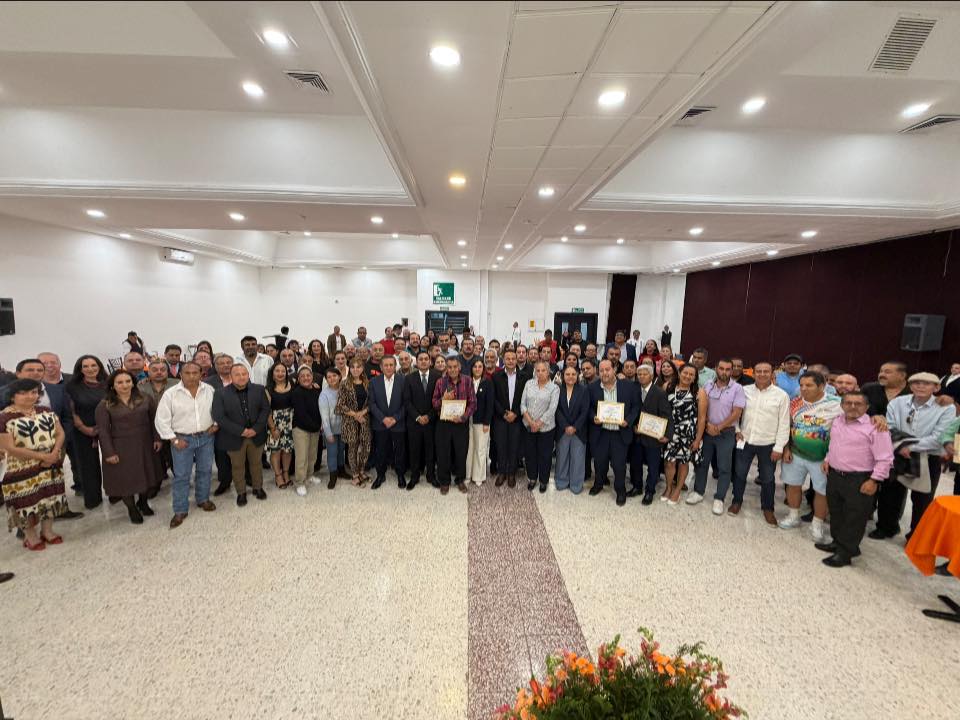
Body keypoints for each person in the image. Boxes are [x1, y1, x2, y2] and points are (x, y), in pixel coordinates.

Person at [874, 372, 955, 540]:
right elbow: (890, 428)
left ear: (936, 387)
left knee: (922, 499)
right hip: (898, 453)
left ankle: (916, 536)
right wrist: (901, 446)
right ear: (910, 386)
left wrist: (908, 446)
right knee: (890, 493)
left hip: (928, 456)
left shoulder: (947, 408)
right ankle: (886, 527)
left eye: (926, 383)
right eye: (916, 383)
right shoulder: (897, 402)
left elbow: (939, 437)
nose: (921, 386)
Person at [818, 391, 894, 567]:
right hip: (835, 475)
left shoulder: (876, 428)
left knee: (855, 517)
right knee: (837, 512)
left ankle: (845, 553)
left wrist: (874, 481)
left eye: (858, 404)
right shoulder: (837, 421)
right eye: (848, 403)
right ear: (842, 405)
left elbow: (885, 458)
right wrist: (828, 459)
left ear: (867, 407)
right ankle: (837, 542)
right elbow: (834, 444)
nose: (853, 407)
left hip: (860, 479)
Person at [1, 358, 83, 520]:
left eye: (40, 370)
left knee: (53, 483)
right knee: (26, 491)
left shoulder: (56, 390)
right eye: (30, 370)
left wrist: (59, 445)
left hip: (53, 447)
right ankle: (27, 523)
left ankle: (59, 511)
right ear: (18, 373)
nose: (36, 373)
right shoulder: (4, 393)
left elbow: (66, 417)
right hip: (19, 457)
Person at [0, 379, 68, 550]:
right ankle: (30, 536)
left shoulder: (46, 411)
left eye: (33, 392)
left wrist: (54, 453)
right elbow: (10, 448)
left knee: (50, 498)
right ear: (12, 396)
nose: (29, 396)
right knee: (26, 503)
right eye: (23, 393)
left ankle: (47, 531)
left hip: (49, 464)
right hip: (20, 469)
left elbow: (60, 433)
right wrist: (42, 456)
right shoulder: (4, 417)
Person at [778, 371, 842, 541]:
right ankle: (793, 516)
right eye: (802, 385)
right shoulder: (794, 403)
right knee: (793, 485)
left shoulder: (837, 404)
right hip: (795, 453)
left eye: (809, 385)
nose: (804, 388)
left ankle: (817, 524)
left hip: (822, 458)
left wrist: (878, 418)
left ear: (822, 386)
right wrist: (786, 449)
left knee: (822, 491)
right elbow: (786, 427)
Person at [155, 362, 219, 528]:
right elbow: (161, 420)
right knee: (182, 475)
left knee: (205, 470)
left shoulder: (209, 390)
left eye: (195, 373)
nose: (191, 376)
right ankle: (180, 509)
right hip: (182, 439)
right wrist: (173, 439)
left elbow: (218, 409)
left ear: (201, 374)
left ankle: (203, 499)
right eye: (187, 373)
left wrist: (216, 424)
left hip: (206, 437)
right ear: (180, 374)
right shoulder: (171, 394)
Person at [95, 370, 160, 523]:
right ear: (113, 385)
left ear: (133, 383)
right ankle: (132, 508)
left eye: (128, 381)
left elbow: (155, 420)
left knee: (146, 475)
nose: (124, 385)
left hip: (144, 443)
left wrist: (157, 438)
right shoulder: (105, 404)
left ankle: (143, 502)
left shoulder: (145, 398)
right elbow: (103, 431)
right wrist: (109, 452)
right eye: (120, 382)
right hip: (120, 447)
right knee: (125, 479)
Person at [687, 358, 745, 515]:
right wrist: (707, 425)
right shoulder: (708, 386)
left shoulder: (737, 388)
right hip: (707, 431)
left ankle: (719, 498)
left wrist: (719, 427)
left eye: (727, 369)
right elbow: (702, 409)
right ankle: (698, 492)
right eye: (721, 368)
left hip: (726, 433)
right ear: (716, 369)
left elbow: (736, 413)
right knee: (702, 463)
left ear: (731, 371)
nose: (724, 372)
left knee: (724, 467)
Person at [734, 362, 789, 524]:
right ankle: (737, 501)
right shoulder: (744, 391)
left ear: (772, 374)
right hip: (745, 441)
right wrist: (737, 430)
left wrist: (779, 447)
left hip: (768, 444)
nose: (762, 374)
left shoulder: (781, 396)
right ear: (753, 373)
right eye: (759, 371)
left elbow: (784, 423)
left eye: (766, 371)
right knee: (739, 474)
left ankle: (768, 508)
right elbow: (735, 413)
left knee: (767, 478)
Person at [210, 364, 269, 508]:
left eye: (244, 374)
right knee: (237, 466)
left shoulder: (259, 389)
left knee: (256, 464)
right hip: (234, 437)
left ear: (248, 375)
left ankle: (258, 487)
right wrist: (241, 431)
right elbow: (219, 416)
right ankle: (241, 492)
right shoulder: (220, 393)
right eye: (237, 374)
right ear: (231, 376)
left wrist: (255, 429)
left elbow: (265, 410)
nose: (241, 377)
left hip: (256, 435)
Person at [588, 359, 639, 506]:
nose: (604, 373)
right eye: (601, 370)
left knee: (619, 465)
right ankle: (598, 484)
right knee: (599, 462)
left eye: (607, 369)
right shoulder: (592, 388)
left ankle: (620, 490)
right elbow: (588, 408)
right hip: (601, 432)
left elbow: (636, 407)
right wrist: (593, 417)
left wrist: (628, 420)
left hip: (619, 433)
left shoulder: (628, 387)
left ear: (614, 369)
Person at [66, 355, 108, 510]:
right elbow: (71, 411)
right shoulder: (72, 387)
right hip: (83, 430)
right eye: (86, 366)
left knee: (112, 461)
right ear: (80, 369)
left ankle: (116, 493)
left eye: (93, 365)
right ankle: (93, 498)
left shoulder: (107, 383)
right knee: (88, 465)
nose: (90, 369)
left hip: (107, 428)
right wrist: (84, 428)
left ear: (99, 367)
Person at [432, 355, 476, 494]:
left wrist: (463, 417)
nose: (452, 370)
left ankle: (460, 479)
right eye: (449, 367)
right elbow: (434, 404)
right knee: (443, 453)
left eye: (455, 367)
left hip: (460, 424)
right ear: (446, 368)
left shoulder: (467, 381)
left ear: (459, 367)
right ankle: (444, 481)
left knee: (461, 453)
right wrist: (443, 399)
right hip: (444, 423)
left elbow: (473, 403)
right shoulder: (440, 382)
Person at [629, 364, 672, 504]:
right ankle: (637, 487)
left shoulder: (659, 393)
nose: (641, 376)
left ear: (652, 376)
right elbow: (631, 411)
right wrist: (633, 426)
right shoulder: (634, 391)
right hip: (637, 435)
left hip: (653, 437)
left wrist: (667, 434)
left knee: (653, 466)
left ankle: (650, 491)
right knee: (635, 463)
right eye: (639, 374)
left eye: (645, 374)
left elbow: (666, 415)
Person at [663, 365, 703, 504]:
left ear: (695, 378)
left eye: (691, 374)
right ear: (679, 373)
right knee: (669, 462)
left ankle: (678, 490)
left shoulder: (699, 392)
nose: (687, 376)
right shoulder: (668, 387)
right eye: (685, 373)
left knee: (683, 463)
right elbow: (662, 409)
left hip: (688, 434)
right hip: (670, 432)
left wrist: (698, 439)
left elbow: (702, 418)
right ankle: (668, 487)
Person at [520, 361, 560, 493]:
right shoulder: (529, 384)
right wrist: (531, 422)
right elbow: (523, 405)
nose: (540, 373)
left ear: (548, 372)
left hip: (546, 429)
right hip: (528, 426)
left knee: (545, 456)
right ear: (535, 371)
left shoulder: (554, 388)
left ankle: (543, 481)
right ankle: (532, 478)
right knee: (530, 454)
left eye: (543, 370)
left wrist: (538, 424)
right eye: (538, 370)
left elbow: (552, 409)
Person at [492, 348, 528, 488]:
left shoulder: (524, 377)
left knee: (514, 446)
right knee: (501, 446)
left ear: (517, 360)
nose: (511, 361)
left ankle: (511, 473)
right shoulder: (496, 376)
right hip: (501, 418)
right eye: (508, 359)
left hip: (517, 418)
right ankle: (502, 472)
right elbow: (494, 398)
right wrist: (503, 413)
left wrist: (516, 413)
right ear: (503, 360)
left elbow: (526, 399)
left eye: (513, 358)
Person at [369, 356, 407, 489]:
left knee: (400, 450)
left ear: (395, 366)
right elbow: (372, 404)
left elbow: (406, 403)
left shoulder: (403, 380)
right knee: (380, 450)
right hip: (380, 423)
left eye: (391, 365)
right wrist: (383, 419)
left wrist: (395, 418)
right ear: (381, 367)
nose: (389, 367)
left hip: (398, 423)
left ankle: (400, 474)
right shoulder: (374, 381)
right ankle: (380, 475)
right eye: (386, 365)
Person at [404, 352, 440, 490]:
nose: (424, 361)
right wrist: (418, 417)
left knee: (431, 450)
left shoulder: (437, 377)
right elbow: (407, 401)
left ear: (430, 361)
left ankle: (431, 475)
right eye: (421, 359)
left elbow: (439, 399)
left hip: (432, 421)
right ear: (416, 362)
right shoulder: (409, 378)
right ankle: (414, 476)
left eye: (426, 359)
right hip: (414, 422)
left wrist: (429, 416)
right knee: (414, 450)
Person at [336, 358, 372, 487]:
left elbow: (372, 402)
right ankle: (355, 474)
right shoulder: (344, 383)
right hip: (350, 421)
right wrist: (356, 415)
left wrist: (363, 412)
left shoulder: (368, 383)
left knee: (366, 448)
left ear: (362, 368)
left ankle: (361, 470)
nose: (355, 369)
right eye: (353, 367)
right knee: (353, 448)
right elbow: (340, 405)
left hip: (365, 420)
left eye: (358, 367)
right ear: (349, 369)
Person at [555, 365, 589, 493]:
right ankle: (561, 481)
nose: (570, 377)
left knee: (577, 459)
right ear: (563, 376)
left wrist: (575, 427)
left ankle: (576, 484)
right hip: (562, 430)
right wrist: (565, 426)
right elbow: (557, 410)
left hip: (578, 430)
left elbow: (585, 411)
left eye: (573, 374)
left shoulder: (584, 390)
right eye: (567, 374)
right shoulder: (558, 390)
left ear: (578, 376)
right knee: (562, 457)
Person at [290, 367, 322, 497]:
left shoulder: (316, 390)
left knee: (312, 455)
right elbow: (301, 414)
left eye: (308, 375)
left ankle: (309, 475)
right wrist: (316, 426)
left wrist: (319, 425)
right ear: (298, 379)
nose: (306, 378)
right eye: (302, 376)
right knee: (302, 457)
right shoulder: (296, 393)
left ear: (312, 377)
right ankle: (300, 482)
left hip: (315, 428)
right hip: (301, 429)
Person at [466, 359, 493, 487]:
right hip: (467, 420)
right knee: (469, 449)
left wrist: (487, 422)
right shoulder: (467, 381)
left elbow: (490, 404)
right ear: (471, 368)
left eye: (480, 366)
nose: (477, 369)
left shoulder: (488, 383)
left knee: (480, 449)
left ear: (483, 369)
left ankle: (478, 476)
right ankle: (468, 475)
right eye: (475, 366)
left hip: (482, 422)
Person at [318, 367, 345, 488]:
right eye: (329, 377)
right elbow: (324, 417)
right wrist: (328, 433)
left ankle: (341, 470)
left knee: (341, 450)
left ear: (339, 377)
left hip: (343, 428)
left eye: (334, 376)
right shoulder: (324, 395)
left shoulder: (344, 390)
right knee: (332, 452)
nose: (332, 379)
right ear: (326, 380)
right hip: (331, 429)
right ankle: (333, 475)